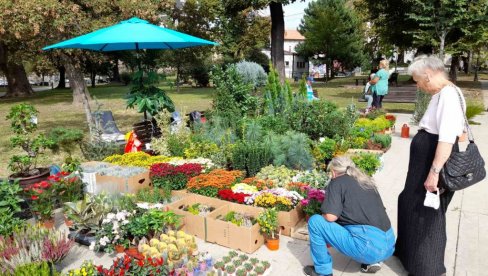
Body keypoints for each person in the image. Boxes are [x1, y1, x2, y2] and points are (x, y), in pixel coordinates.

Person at [395, 55, 466, 276]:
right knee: (409, 203)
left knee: (427, 215)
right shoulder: (441, 93)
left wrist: (434, 173)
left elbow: (446, 138)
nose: (417, 84)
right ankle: (409, 255)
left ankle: (427, 269)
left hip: (432, 164)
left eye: (417, 80)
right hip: (423, 162)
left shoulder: (449, 96)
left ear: (427, 75)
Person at [304, 156, 395, 276]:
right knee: (359, 224)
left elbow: (331, 217)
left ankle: (323, 272)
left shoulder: (336, 182)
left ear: (333, 172)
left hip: (368, 248)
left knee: (315, 222)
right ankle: (372, 262)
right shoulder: (366, 181)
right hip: (389, 245)